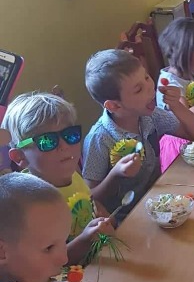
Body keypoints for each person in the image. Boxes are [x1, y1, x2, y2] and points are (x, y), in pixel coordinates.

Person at [82, 49, 194, 216]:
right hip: (126, 218)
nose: (150, 88)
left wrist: (176, 105)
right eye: (138, 89)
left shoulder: (150, 115)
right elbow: (91, 198)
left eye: (147, 77)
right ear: (114, 106)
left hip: (159, 201)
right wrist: (115, 175)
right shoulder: (99, 138)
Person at [4, 92, 115, 265]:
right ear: (20, 156)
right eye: (47, 141)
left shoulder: (70, 173)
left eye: (70, 135)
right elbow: (48, 264)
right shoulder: (30, 201)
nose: (64, 146)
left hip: (100, 260)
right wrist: (86, 239)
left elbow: (90, 202)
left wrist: (106, 219)